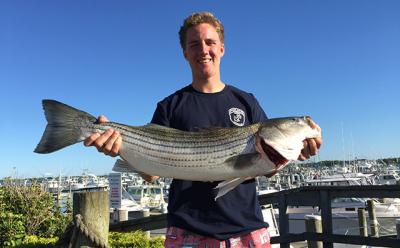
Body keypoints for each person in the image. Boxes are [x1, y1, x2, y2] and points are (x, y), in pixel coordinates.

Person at [84, 12, 322, 248]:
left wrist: (296, 151)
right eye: (194, 44)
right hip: (187, 231)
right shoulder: (169, 106)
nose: (203, 50)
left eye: (210, 42)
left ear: (222, 49)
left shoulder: (247, 101)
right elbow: (151, 174)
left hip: (247, 230)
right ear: (185, 53)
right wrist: (121, 148)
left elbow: (267, 169)